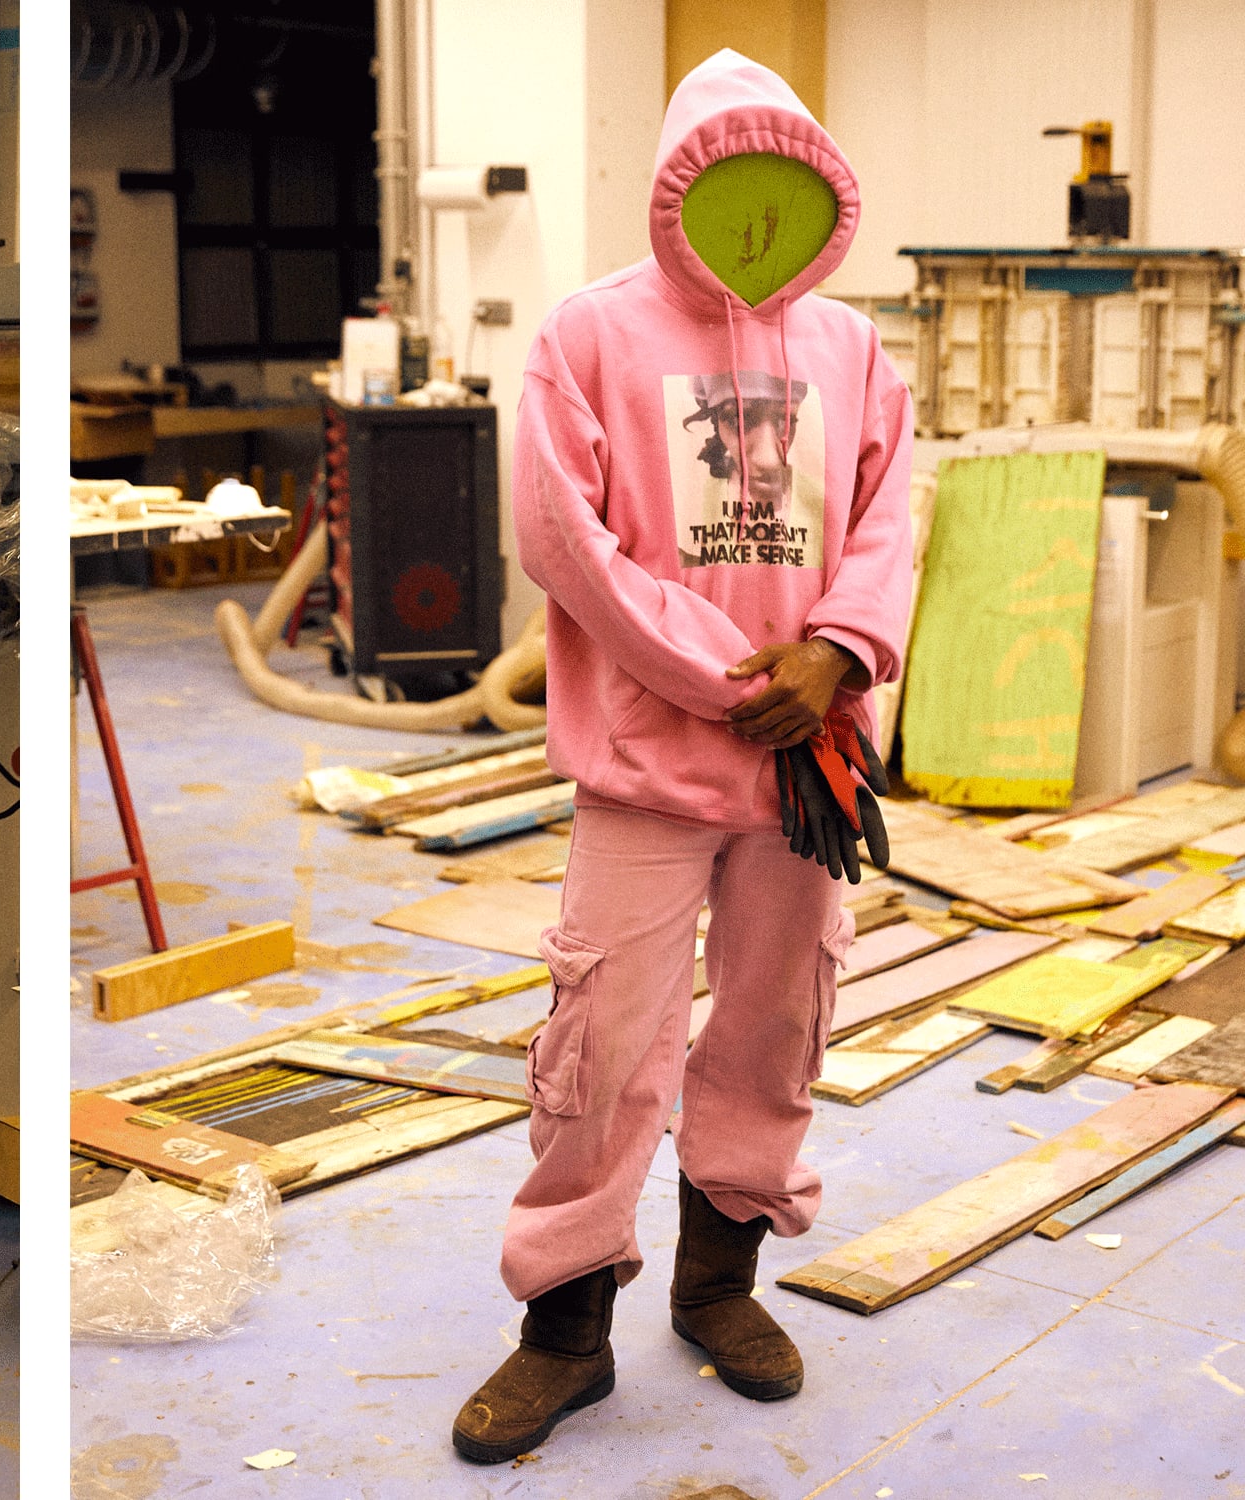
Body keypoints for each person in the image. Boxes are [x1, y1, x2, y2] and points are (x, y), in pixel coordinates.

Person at [451, 49, 912, 1465]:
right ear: (678, 185)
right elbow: (563, 539)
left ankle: (721, 1285)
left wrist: (834, 654)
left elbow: (894, 514)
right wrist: (730, 678)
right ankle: (567, 1327)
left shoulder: (849, 350)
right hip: (651, 760)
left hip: (802, 773)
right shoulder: (588, 336)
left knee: (778, 1022)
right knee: (601, 1040)